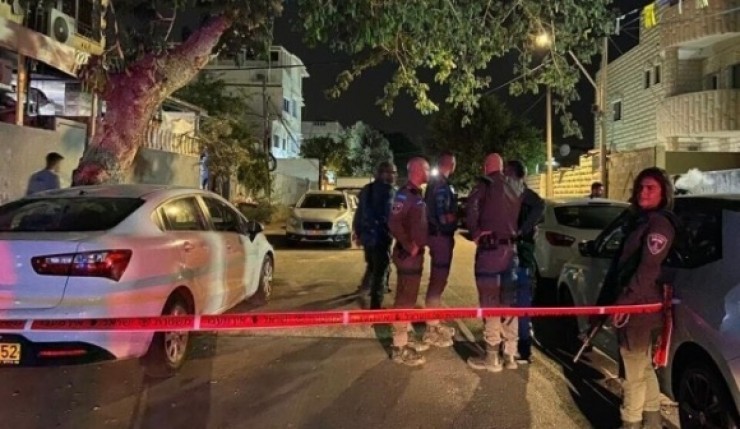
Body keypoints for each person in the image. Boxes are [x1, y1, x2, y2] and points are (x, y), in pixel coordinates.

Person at [593, 167, 676, 429]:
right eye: (640, 187)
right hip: (639, 305)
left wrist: (624, 301)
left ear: (664, 193)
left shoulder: (659, 224)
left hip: (639, 308)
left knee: (632, 374)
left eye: (651, 188)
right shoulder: (642, 221)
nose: (643, 192)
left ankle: (631, 422)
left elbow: (648, 270)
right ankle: (652, 422)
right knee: (642, 367)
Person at [466, 153, 523, 372]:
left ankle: (492, 357)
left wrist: (476, 233)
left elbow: (471, 208)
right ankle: (510, 354)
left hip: (490, 253)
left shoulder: (484, 184)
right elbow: (536, 207)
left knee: (490, 301)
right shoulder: (516, 185)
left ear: (485, 167)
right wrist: (522, 230)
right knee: (509, 302)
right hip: (512, 252)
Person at [387, 157, 431, 366]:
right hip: (408, 256)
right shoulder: (404, 194)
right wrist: (407, 244)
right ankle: (399, 347)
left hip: (415, 255)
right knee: (404, 299)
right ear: (417, 170)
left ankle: (405, 337)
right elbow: (393, 222)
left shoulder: (416, 194)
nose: (429, 172)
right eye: (427, 169)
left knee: (409, 298)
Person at [504, 160, 545, 364]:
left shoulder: (530, 200)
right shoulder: (514, 197)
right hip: (513, 256)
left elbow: (534, 217)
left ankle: (523, 348)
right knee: (513, 300)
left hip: (522, 258)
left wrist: (519, 231)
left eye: (507, 174)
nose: (505, 178)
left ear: (518, 176)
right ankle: (512, 345)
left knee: (521, 301)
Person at [422, 152, 458, 348]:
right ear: (451, 164)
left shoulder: (434, 184)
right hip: (440, 237)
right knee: (438, 281)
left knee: (438, 280)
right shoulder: (442, 186)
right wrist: (457, 217)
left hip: (436, 236)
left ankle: (434, 320)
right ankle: (431, 328)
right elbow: (444, 217)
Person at [353, 161, 397, 309]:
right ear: (384, 174)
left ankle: (364, 289)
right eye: (392, 172)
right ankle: (375, 308)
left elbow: (359, 213)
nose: (394, 176)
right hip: (381, 238)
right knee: (380, 272)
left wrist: (358, 233)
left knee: (372, 266)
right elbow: (389, 216)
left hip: (367, 237)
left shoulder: (367, 189)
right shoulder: (389, 191)